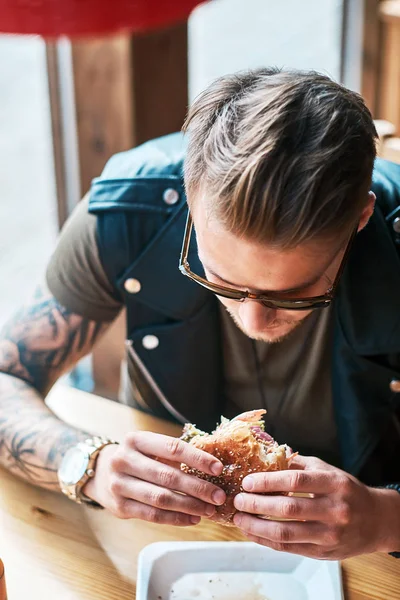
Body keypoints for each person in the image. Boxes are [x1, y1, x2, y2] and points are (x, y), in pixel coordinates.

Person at [0, 67, 399, 561]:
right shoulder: (128, 211)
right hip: (158, 544)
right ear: (191, 200)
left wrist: (385, 519)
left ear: (360, 218)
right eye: (220, 281)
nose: (254, 323)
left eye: (295, 294)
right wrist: (87, 462)